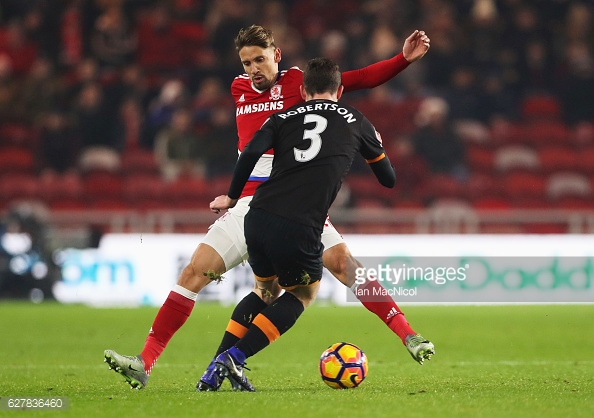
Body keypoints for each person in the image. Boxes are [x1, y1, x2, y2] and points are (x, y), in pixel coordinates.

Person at [104, 24, 433, 390]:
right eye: (246, 62)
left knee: (342, 266)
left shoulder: (298, 83)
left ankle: (407, 333)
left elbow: (359, 79)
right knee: (195, 274)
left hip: (292, 198)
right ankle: (145, 361)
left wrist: (402, 60)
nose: (253, 69)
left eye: (259, 59)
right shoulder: (238, 88)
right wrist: (231, 195)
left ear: (277, 55)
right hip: (249, 205)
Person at [208, 57, 396, 391]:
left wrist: (232, 196)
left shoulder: (281, 118)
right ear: (339, 90)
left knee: (265, 291)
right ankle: (234, 356)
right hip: (300, 220)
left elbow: (250, 152)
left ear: (303, 89)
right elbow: (388, 179)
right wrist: (377, 147)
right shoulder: (353, 119)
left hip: (257, 213)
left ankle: (214, 369)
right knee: (303, 292)